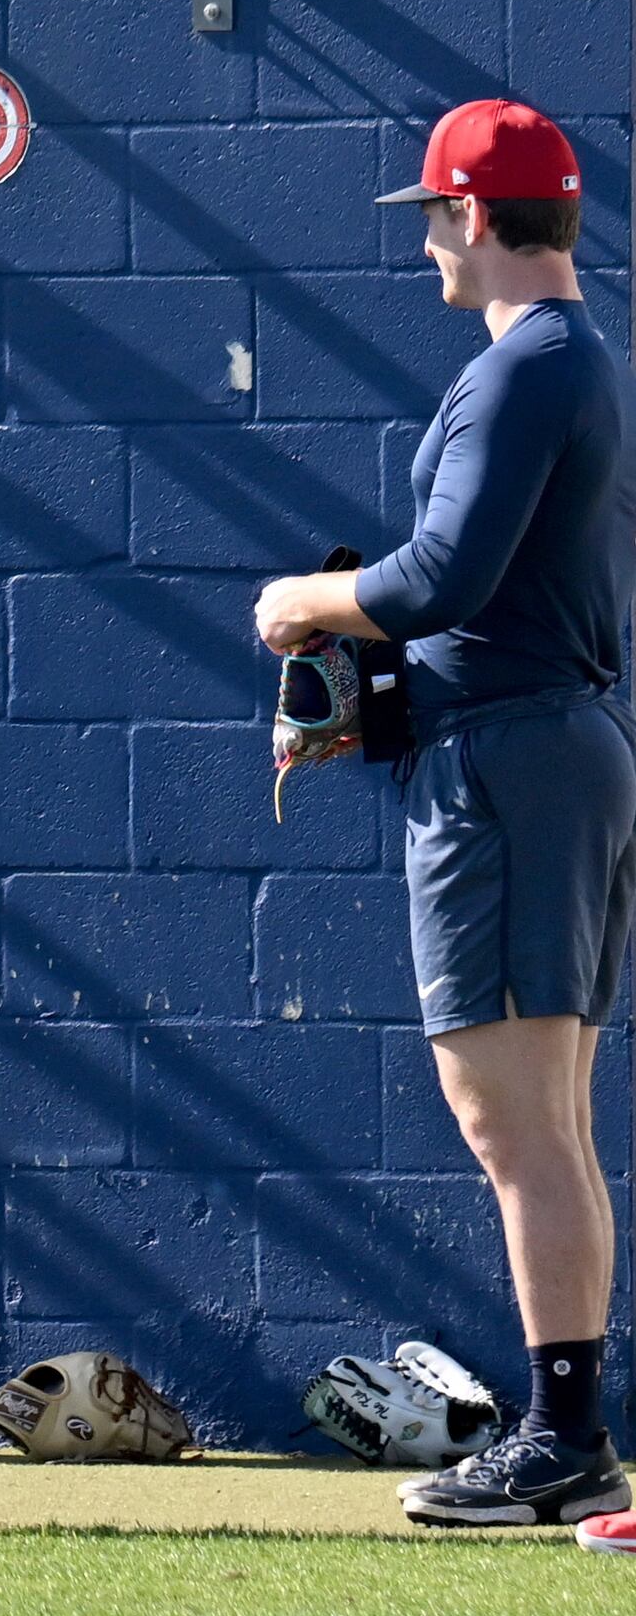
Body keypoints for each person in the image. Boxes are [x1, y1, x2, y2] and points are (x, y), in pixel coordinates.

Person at [255, 98, 636, 1539]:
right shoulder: (583, 360)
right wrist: (390, 696)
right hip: (558, 747)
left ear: (475, 217)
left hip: (516, 767)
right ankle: (571, 1432)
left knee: (510, 1119)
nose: (424, 244)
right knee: (545, 1118)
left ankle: (562, 1441)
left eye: (430, 216)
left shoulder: (529, 362)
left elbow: (440, 578)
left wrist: (309, 606)